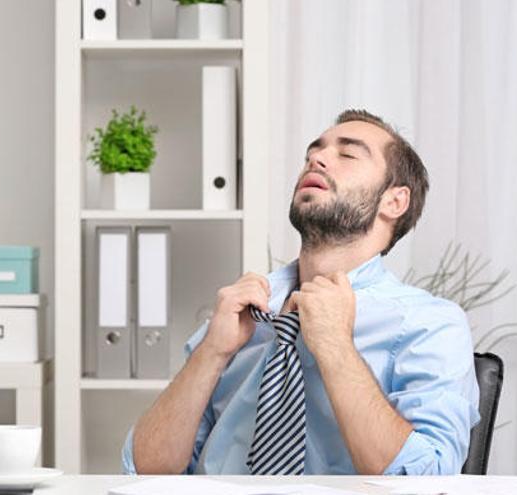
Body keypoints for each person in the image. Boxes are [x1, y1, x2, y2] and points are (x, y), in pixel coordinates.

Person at [122, 110, 480, 475]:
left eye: (348, 154)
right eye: (313, 152)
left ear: (394, 201)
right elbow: (145, 473)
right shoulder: (241, 311)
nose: (316, 159)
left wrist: (334, 345)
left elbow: (425, 480)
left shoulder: (431, 324)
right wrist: (212, 352)